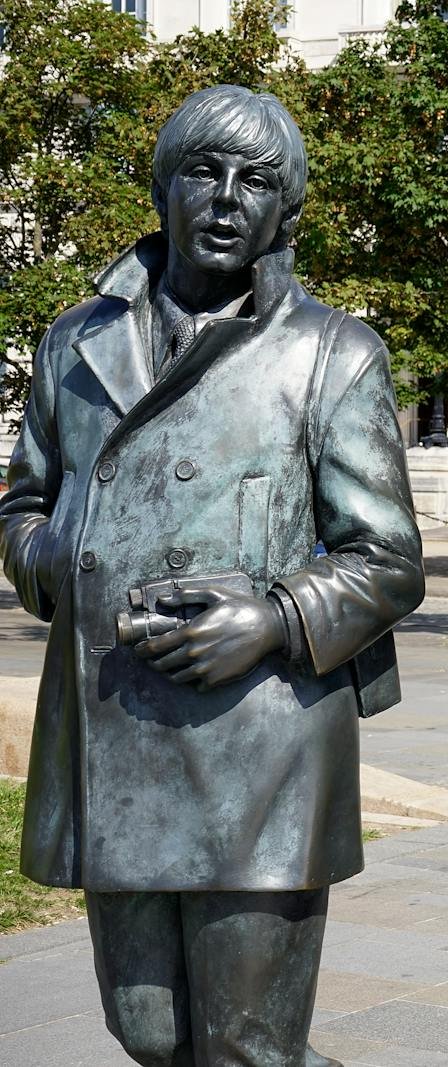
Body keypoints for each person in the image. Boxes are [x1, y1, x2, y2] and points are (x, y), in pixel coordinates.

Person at [0, 84, 424, 1067]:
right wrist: (50, 553)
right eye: (205, 170)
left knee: (244, 1044)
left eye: (259, 181)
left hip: (263, 737)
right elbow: (22, 502)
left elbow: (389, 559)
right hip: (118, 730)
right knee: (146, 1029)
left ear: (286, 210)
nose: (228, 197)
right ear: (162, 184)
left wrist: (276, 616)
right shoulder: (74, 341)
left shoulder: (331, 354)